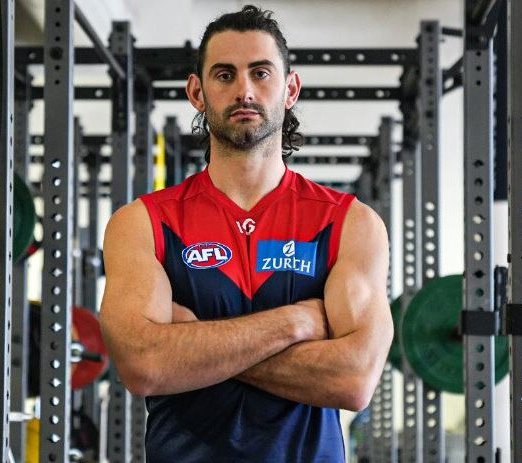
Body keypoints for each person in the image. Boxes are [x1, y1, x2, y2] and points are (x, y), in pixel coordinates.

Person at [100, 5, 392, 462]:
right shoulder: (143, 222)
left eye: (261, 73)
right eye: (224, 75)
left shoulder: (349, 223)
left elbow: (353, 381)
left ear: (290, 88)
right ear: (197, 92)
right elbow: (144, 365)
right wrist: (295, 324)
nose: (244, 90)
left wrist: (195, 343)